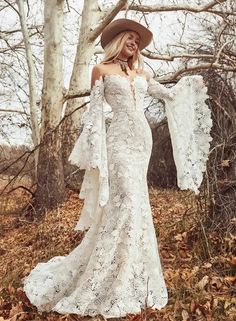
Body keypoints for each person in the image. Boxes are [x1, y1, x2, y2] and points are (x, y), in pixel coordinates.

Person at [23, 19, 212, 318]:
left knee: (137, 205)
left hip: (142, 143)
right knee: (123, 202)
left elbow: (168, 95)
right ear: (119, 39)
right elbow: (95, 114)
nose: (135, 43)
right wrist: (95, 155)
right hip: (119, 143)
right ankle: (111, 274)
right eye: (130, 38)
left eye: (138, 40)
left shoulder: (142, 74)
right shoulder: (101, 71)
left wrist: (190, 87)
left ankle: (134, 272)